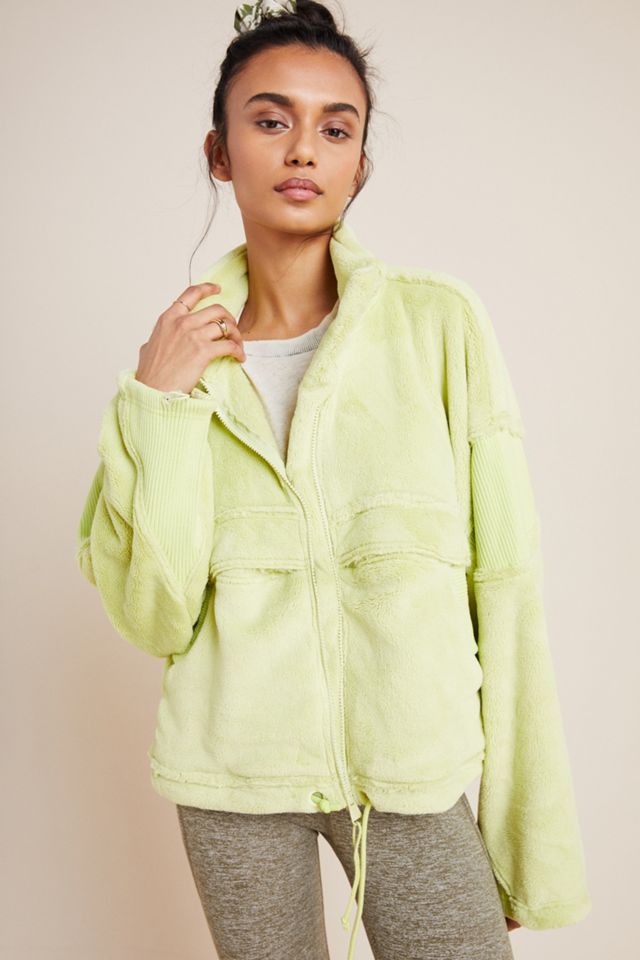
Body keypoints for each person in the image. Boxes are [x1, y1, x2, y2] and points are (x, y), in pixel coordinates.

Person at [76, 1, 592, 958]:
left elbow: (508, 587)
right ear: (220, 152)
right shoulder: (168, 372)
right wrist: (160, 406)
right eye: (271, 119)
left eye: (336, 128)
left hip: (410, 772)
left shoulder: (438, 325)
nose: (303, 149)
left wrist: (525, 844)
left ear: (360, 164)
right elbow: (155, 618)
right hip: (231, 777)